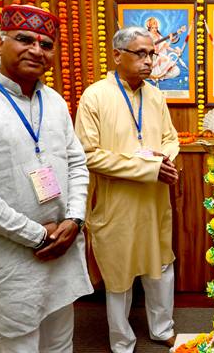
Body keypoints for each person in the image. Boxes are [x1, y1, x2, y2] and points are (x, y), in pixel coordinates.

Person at [0, 4, 93, 352]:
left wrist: (75, 219)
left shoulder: (55, 102)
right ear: (0, 43)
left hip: (60, 255)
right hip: (8, 265)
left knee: (60, 345)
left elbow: (77, 163)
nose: (36, 50)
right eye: (24, 39)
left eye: (46, 44)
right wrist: (36, 236)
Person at [74, 26, 180, 352]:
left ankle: (162, 329)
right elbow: (89, 155)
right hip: (116, 203)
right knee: (118, 275)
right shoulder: (95, 96)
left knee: (161, 266)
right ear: (117, 56)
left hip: (154, 199)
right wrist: (147, 168)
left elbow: (171, 138)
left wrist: (165, 157)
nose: (149, 61)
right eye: (141, 53)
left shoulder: (155, 96)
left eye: (152, 54)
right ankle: (122, 341)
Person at [145, 16, 183, 81]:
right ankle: (157, 75)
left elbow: (165, 46)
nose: (154, 29)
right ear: (149, 28)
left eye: (156, 28)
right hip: (152, 57)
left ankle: (162, 75)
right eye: (152, 28)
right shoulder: (147, 36)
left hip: (159, 55)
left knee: (177, 71)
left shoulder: (158, 35)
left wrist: (174, 50)